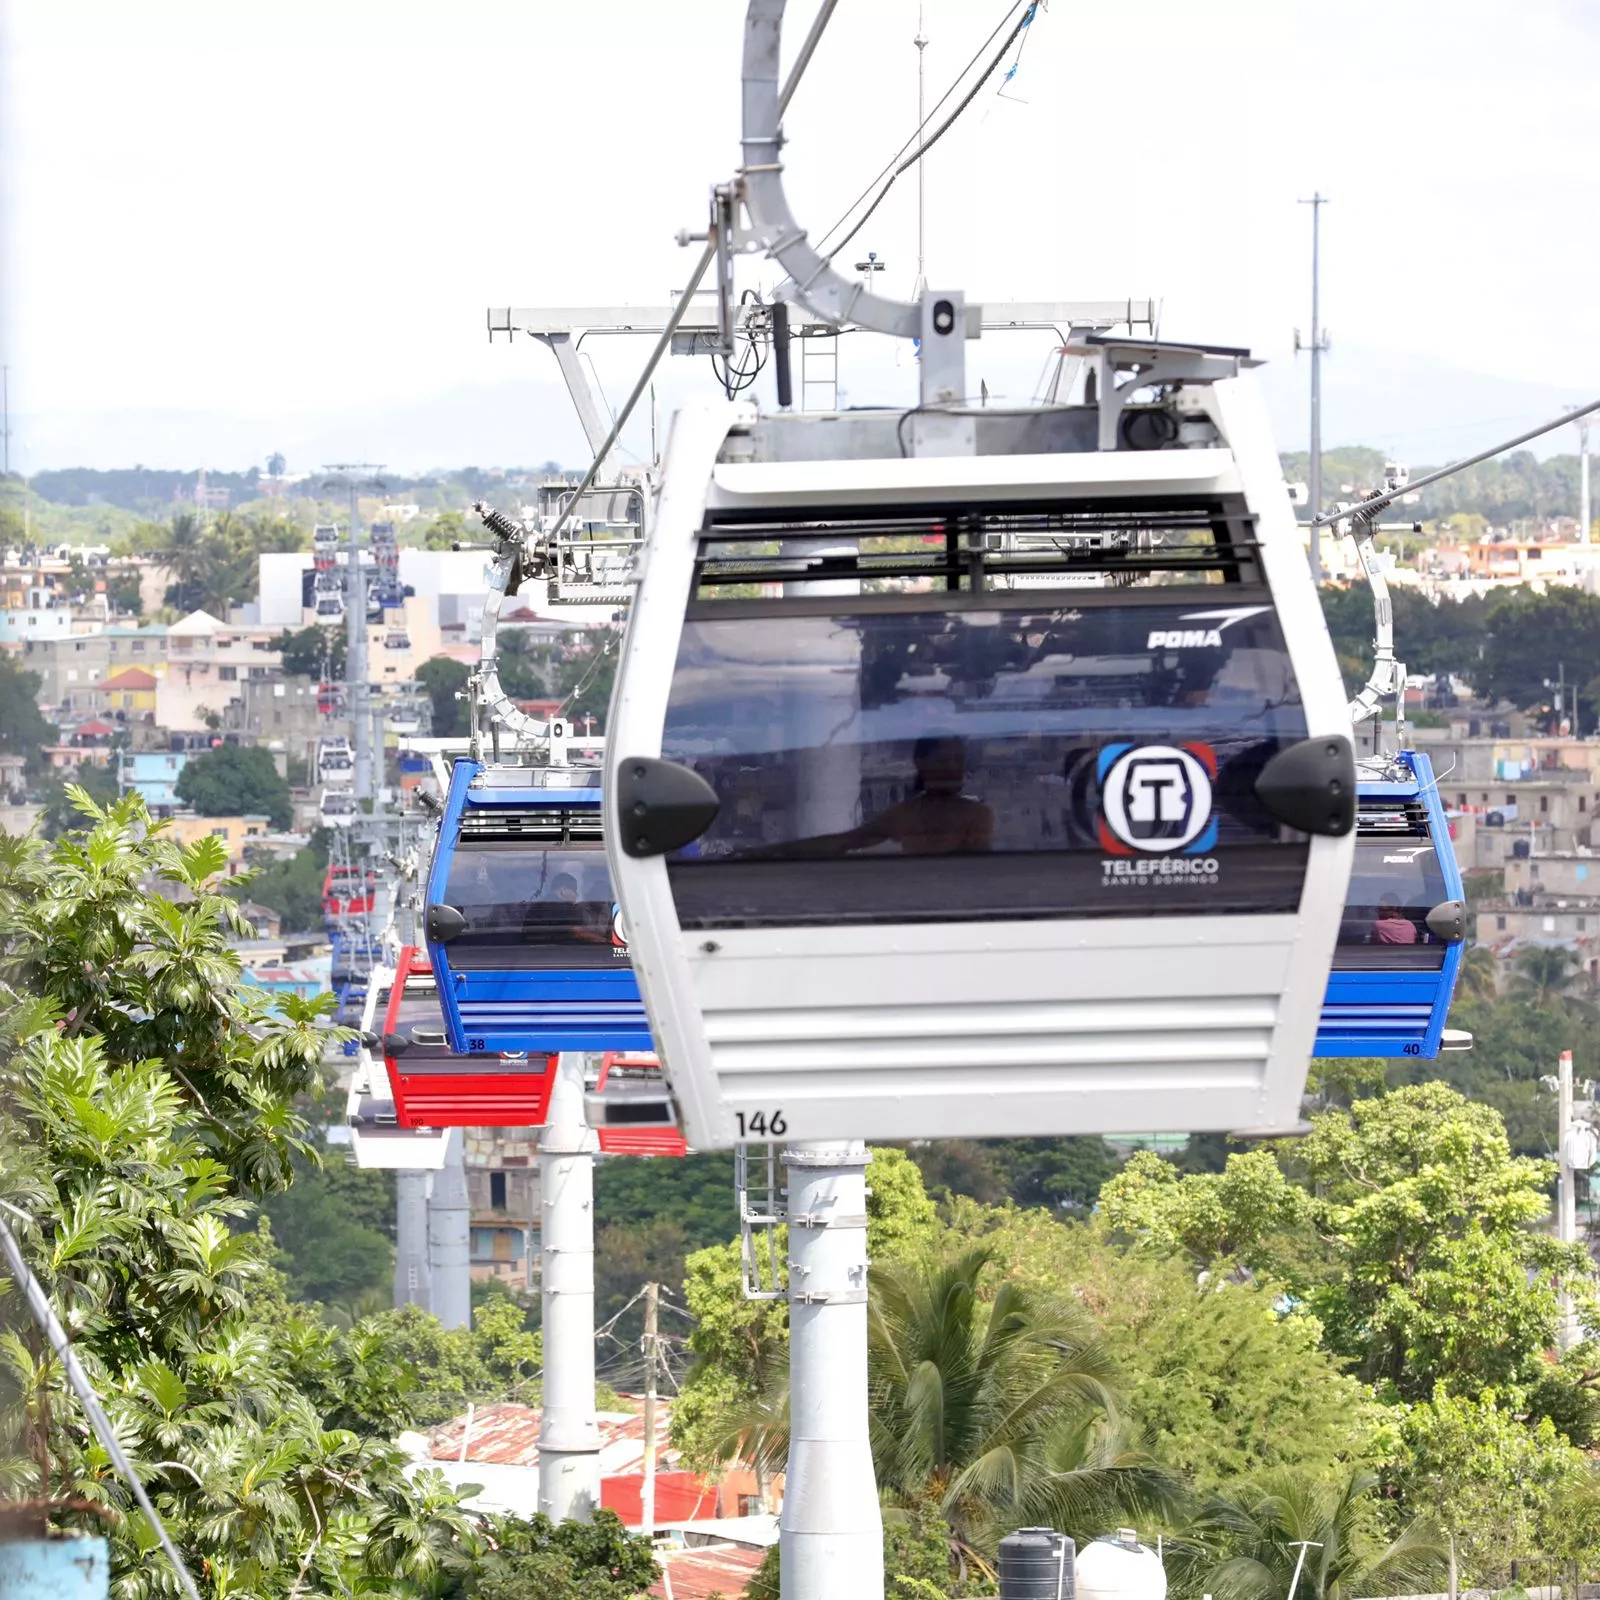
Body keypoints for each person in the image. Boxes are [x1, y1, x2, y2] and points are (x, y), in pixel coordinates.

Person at [742, 735, 996, 859]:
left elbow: (976, 872)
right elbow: (845, 842)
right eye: (944, 760)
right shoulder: (904, 815)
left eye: (958, 760)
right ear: (921, 763)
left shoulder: (978, 816)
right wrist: (766, 853)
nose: (953, 767)